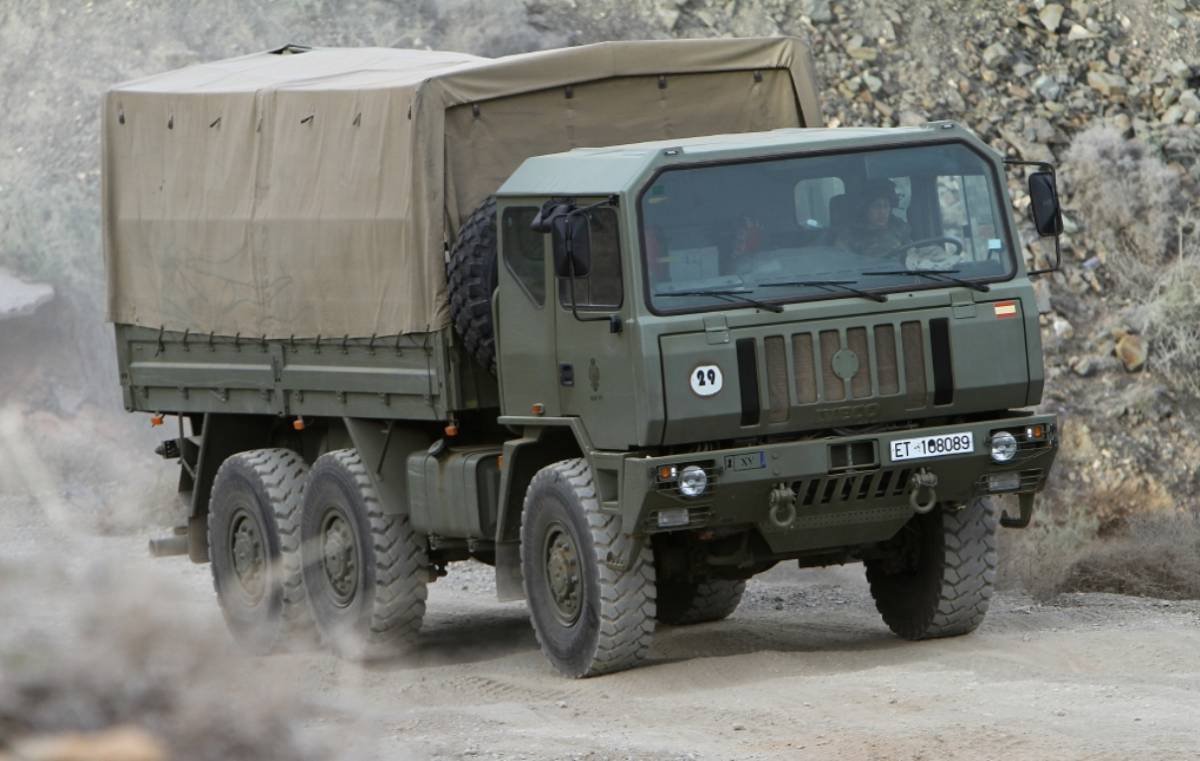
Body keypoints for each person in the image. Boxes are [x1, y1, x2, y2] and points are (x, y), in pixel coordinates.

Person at [840, 179, 911, 261]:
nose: (882, 212)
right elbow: (843, 263)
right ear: (865, 209)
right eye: (876, 206)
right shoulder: (850, 235)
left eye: (886, 206)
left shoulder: (900, 229)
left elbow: (913, 256)